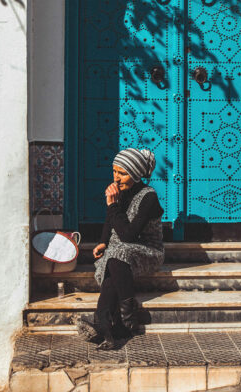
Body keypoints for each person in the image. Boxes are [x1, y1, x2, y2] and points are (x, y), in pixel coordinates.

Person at [77, 147, 164, 349]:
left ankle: (125, 316)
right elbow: (110, 222)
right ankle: (106, 326)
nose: (116, 178)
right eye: (114, 171)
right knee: (111, 263)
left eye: (122, 173)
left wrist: (113, 205)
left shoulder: (148, 197)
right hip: (120, 252)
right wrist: (103, 242)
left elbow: (129, 235)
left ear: (135, 173)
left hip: (146, 250)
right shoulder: (120, 192)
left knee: (116, 255)